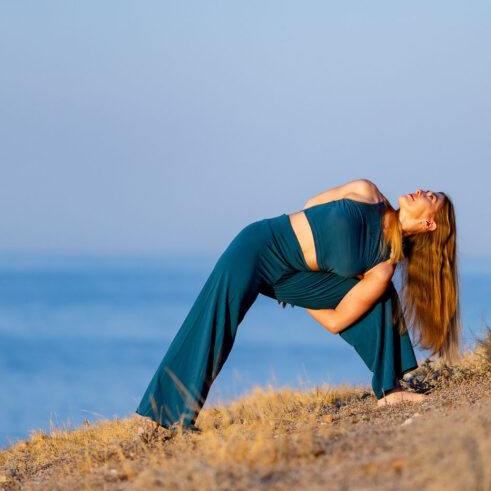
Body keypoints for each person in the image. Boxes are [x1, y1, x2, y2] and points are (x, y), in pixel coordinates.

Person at [136, 179, 458, 430]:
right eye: (426, 190)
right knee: (214, 322)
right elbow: (310, 208)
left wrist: (298, 293)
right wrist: (303, 276)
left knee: (384, 298)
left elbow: (337, 320)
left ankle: (390, 389)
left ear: (430, 224)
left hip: (291, 277)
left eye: (429, 197)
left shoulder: (381, 268)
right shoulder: (367, 192)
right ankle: (160, 418)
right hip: (259, 246)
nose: (420, 190)